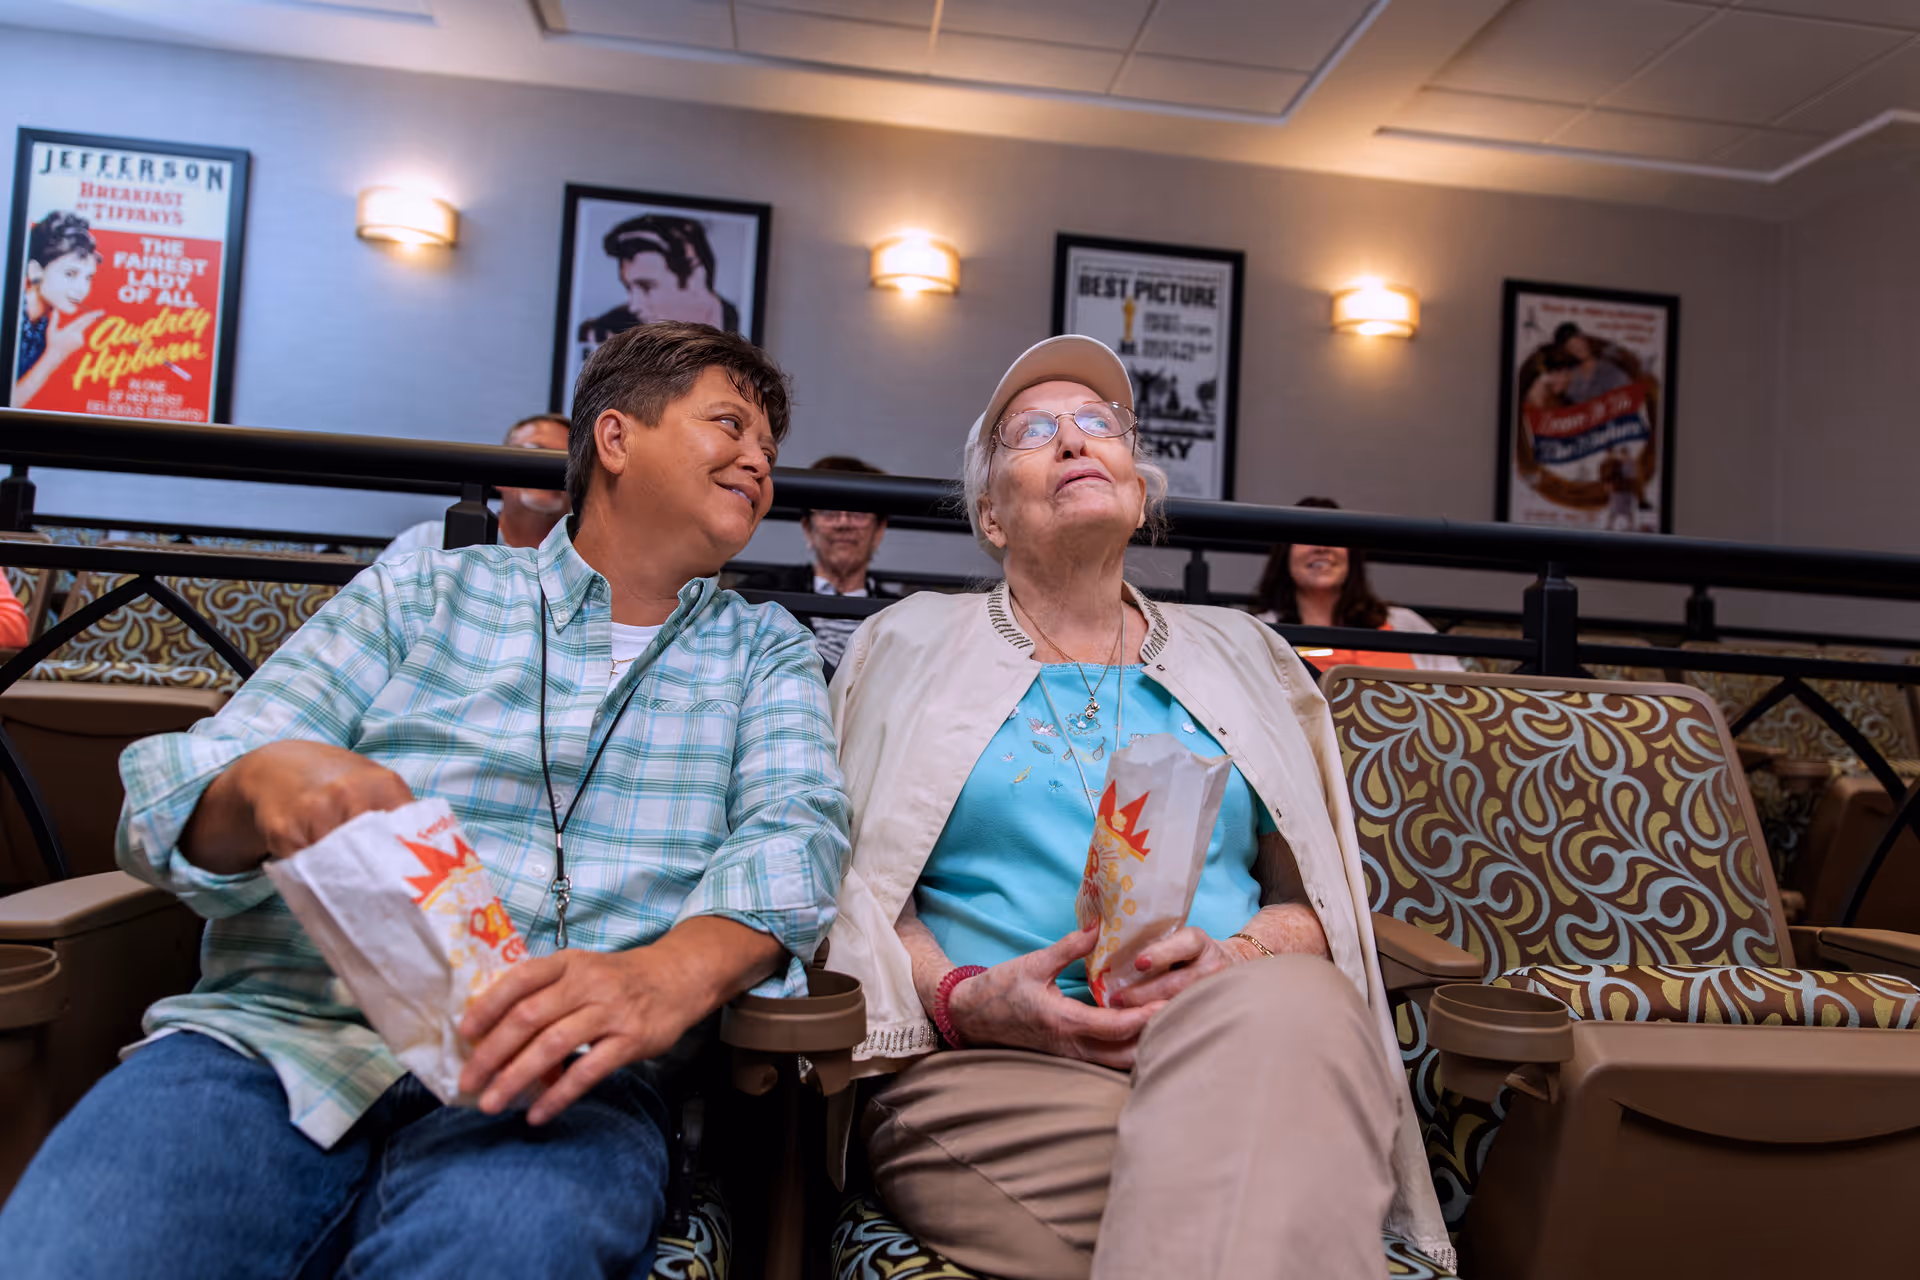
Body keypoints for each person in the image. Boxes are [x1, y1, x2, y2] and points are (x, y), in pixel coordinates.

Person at [0, 321, 850, 1278]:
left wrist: (666, 978)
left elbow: (797, 836)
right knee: (76, 1252)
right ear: (615, 438)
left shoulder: (764, 646)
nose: (759, 463)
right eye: (730, 425)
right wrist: (265, 784)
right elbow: (181, 791)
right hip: (282, 1035)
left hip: (563, 1079)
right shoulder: (426, 589)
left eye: (769, 452)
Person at [822, 336, 1452, 1279]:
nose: (1075, 442)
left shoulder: (1245, 653)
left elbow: (1314, 901)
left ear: (1139, 487)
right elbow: (858, 892)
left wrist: (1233, 961)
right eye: (1033, 431)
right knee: (1279, 1173)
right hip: (995, 1071)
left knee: (1297, 1017)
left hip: (1244, 1042)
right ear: (990, 515)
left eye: (1098, 425)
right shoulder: (905, 644)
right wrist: (966, 999)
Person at [1249, 497, 1463, 673]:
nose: (1321, 547)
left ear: (1351, 555)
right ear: (1284, 556)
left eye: (1333, 536)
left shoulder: (1403, 623)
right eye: (1306, 536)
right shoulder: (1262, 632)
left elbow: (1456, 694)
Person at [734, 455, 896, 679]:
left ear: (879, 530)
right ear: (807, 528)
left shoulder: (898, 612)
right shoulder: (764, 595)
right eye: (829, 511)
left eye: (858, 511)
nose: (843, 523)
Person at [376, 413, 572, 562]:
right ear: (500, 474)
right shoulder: (426, 542)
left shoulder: (586, 559)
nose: (548, 470)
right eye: (535, 452)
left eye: (567, 459)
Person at [578, 215, 738, 345]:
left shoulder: (739, 342)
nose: (634, 306)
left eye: (647, 287)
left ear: (696, 277)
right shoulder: (610, 331)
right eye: (629, 288)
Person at [13, 211, 104, 408]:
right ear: (35, 271)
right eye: (70, 274)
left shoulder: (43, 322)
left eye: (88, 277)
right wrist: (55, 355)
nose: (82, 288)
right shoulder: (10, 316)